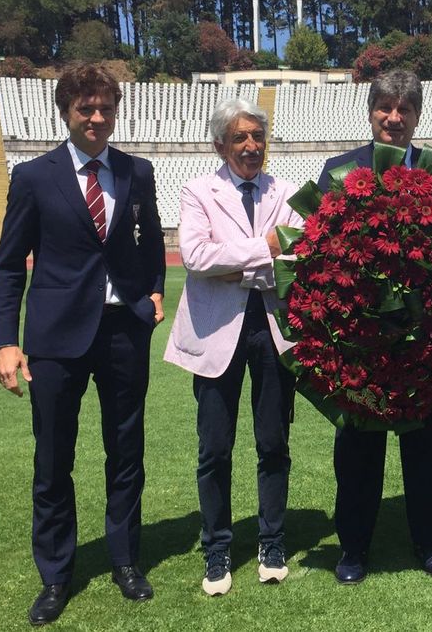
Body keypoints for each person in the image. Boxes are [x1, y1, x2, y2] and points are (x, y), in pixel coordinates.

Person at [0, 63, 166, 625]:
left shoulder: (137, 172)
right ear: (66, 112)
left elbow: (153, 243)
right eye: (86, 108)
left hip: (122, 332)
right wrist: (5, 343)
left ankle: (125, 561)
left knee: (126, 454)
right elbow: (9, 266)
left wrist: (154, 293)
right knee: (52, 460)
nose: (97, 117)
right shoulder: (33, 177)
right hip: (55, 338)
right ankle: (56, 575)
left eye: (106, 108)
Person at [317, 69, 432, 584]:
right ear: (370, 111)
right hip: (360, 338)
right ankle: (353, 546)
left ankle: (430, 540)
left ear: (417, 116)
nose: (394, 119)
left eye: (405, 110)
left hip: (427, 338)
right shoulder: (338, 170)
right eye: (385, 108)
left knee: (427, 442)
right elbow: (318, 249)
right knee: (358, 443)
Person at [163, 98, 303, 596]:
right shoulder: (198, 190)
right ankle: (217, 546)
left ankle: (271, 539)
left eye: (257, 137)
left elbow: (296, 254)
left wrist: (234, 264)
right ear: (220, 144)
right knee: (214, 448)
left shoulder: (286, 191)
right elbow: (196, 257)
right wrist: (263, 249)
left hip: (271, 329)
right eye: (240, 138)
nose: (251, 146)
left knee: (273, 443)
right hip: (215, 333)